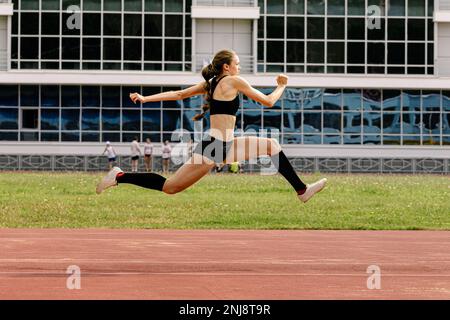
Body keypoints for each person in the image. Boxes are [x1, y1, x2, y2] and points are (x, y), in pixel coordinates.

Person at [96, 49, 327, 203]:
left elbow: (180, 94)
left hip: (223, 145)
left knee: (271, 145)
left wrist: (146, 98)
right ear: (226, 67)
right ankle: (120, 175)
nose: (239, 67)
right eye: (236, 63)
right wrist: (282, 85)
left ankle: (301, 190)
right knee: (170, 187)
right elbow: (268, 101)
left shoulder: (211, 82)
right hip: (215, 146)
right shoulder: (233, 81)